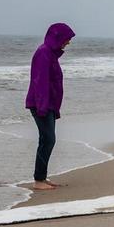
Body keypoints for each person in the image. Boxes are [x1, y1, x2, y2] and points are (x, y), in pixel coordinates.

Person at [25, 22, 75, 190]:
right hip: (41, 104)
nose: (68, 42)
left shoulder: (51, 54)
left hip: (49, 105)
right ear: (58, 37)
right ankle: (38, 180)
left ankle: (42, 177)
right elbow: (40, 82)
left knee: (46, 140)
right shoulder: (43, 53)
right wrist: (42, 107)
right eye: (67, 39)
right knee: (48, 140)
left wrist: (54, 108)